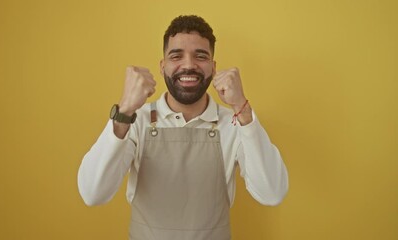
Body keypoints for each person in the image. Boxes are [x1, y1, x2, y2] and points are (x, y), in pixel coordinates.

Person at [78, 15, 288, 240]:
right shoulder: (135, 120)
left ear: (214, 67)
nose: (188, 65)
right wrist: (125, 110)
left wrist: (242, 108)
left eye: (201, 56)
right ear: (162, 66)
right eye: (176, 56)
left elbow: (272, 193)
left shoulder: (234, 122)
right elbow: (93, 194)